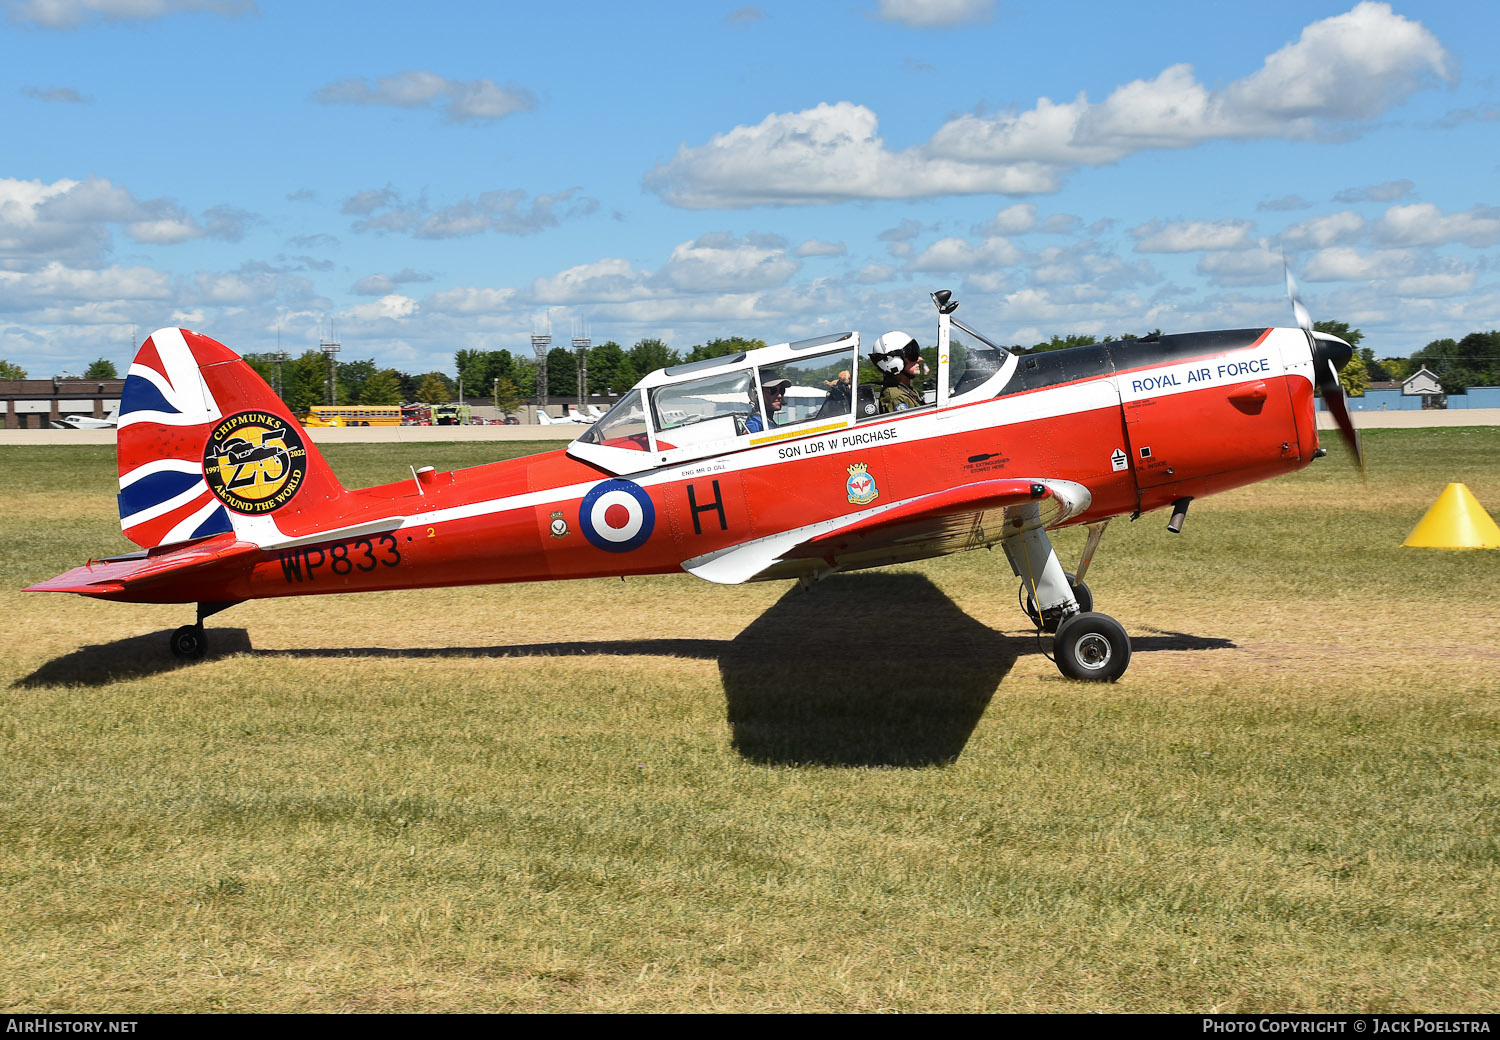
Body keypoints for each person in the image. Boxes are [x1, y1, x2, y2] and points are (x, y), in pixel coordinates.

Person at [870, 331, 924, 413]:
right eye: (913, 355)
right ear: (893, 362)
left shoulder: (906, 390)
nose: (920, 359)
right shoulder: (896, 397)